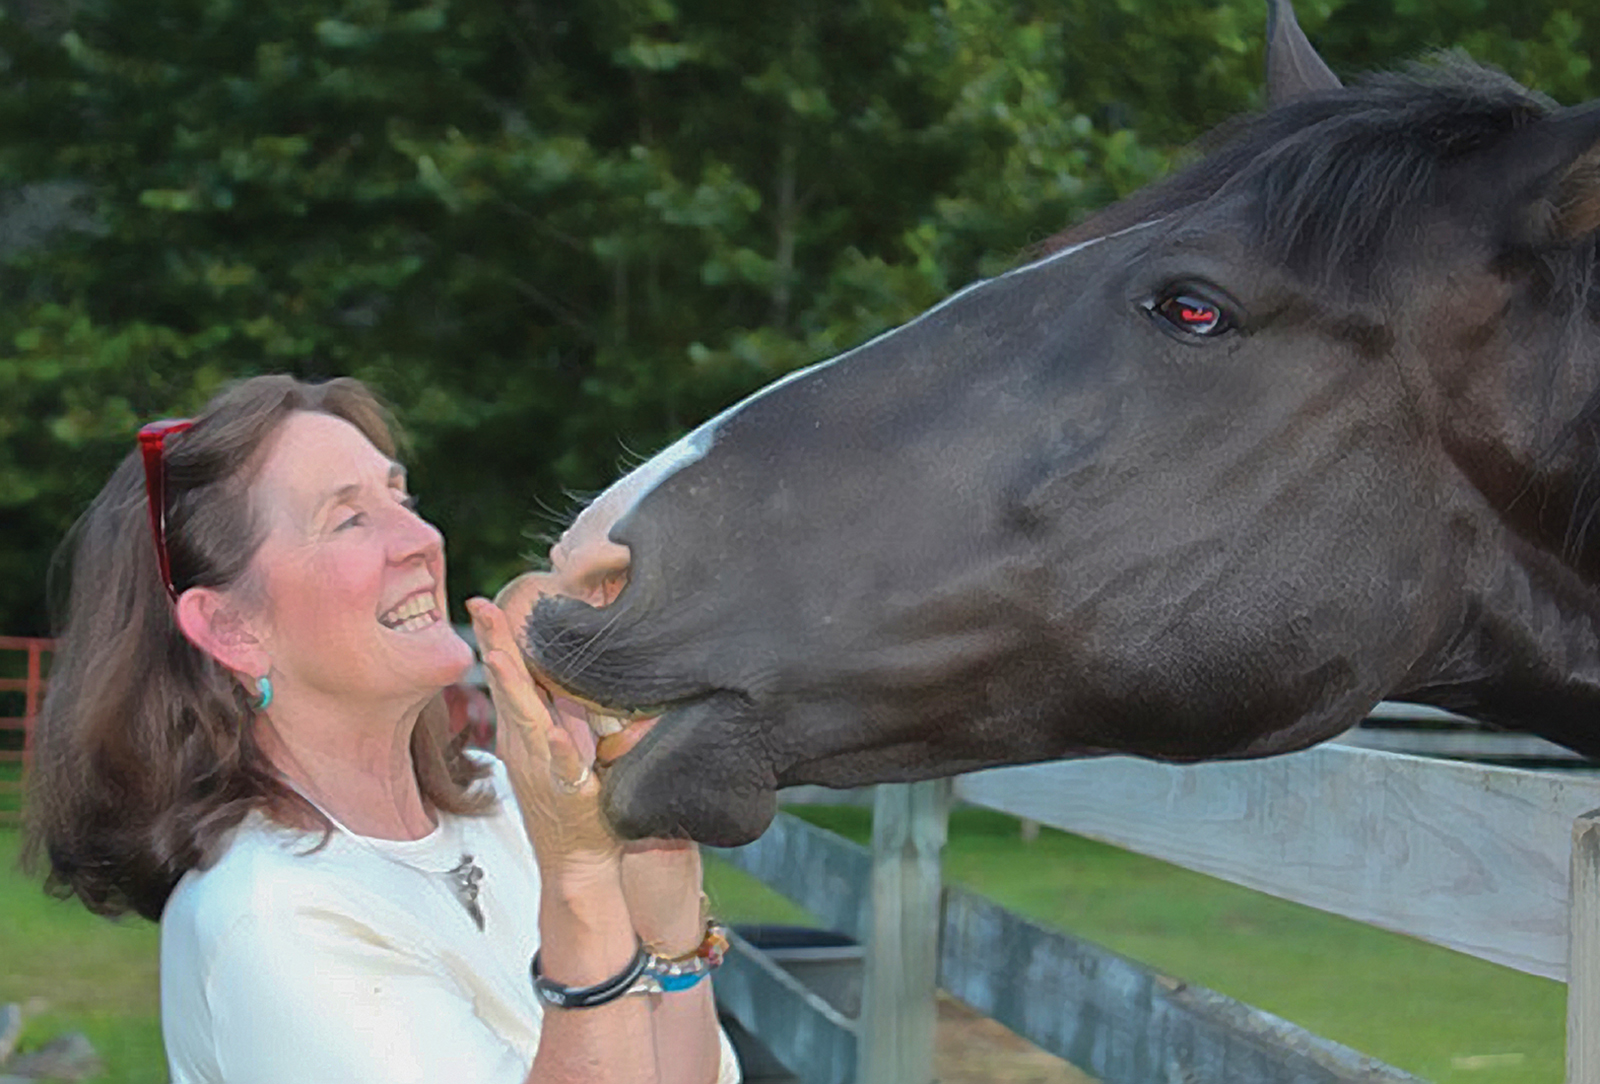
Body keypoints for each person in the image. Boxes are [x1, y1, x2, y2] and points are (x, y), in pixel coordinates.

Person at [22, 374, 740, 1083]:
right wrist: (581, 881)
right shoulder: (269, 918)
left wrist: (663, 884)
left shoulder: (503, 798)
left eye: (402, 497)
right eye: (350, 519)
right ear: (232, 629)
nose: (422, 538)